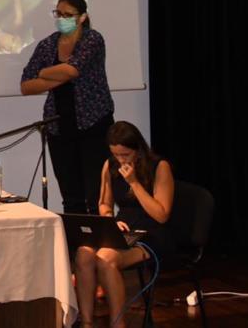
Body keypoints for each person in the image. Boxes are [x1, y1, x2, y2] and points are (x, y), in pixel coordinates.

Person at [72, 122, 175, 327]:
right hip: (123, 227)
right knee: (84, 253)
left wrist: (134, 183)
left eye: (125, 154)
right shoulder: (110, 166)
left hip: (151, 231)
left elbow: (161, 215)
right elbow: (104, 203)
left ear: (138, 149)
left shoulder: (159, 166)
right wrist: (110, 220)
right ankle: (87, 322)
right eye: (116, 154)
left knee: (105, 259)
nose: (121, 159)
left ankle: (118, 323)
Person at [20, 0, 115, 214]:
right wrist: (57, 75)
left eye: (68, 15)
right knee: (70, 196)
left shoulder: (92, 39)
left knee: (96, 194)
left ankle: (99, 234)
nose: (62, 19)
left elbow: (73, 70)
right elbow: (25, 85)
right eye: (58, 14)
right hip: (58, 127)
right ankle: (75, 236)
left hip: (93, 124)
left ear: (82, 17)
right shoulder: (47, 45)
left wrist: (43, 73)